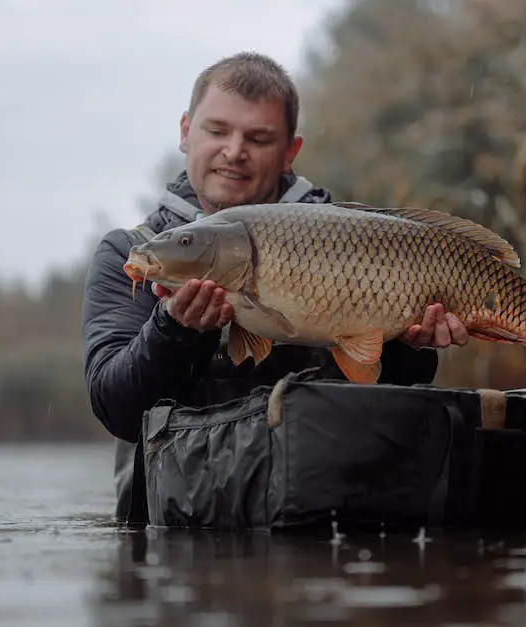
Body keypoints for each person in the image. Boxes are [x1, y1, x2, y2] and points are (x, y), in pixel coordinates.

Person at [81, 52, 468, 522]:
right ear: (186, 131)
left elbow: (392, 393)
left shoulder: (352, 237)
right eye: (217, 130)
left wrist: (413, 345)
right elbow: (117, 410)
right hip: (177, 530)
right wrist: (173, 329)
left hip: (326, 518)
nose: (234, 151)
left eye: (258, 138)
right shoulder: (135, 254)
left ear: (290, 151)